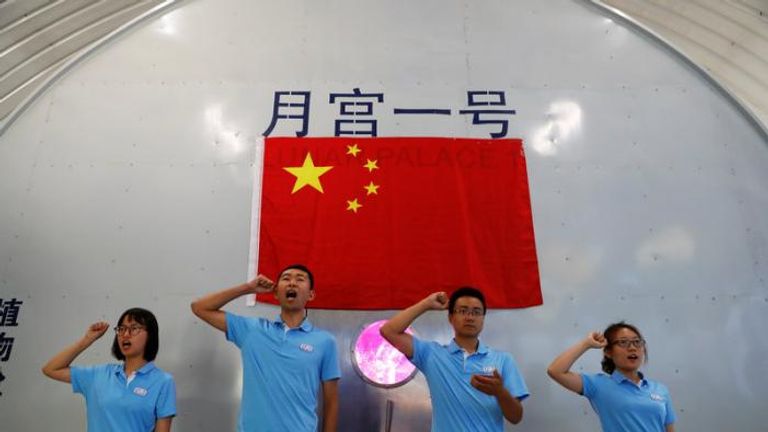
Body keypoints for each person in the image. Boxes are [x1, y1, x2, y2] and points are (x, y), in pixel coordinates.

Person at [191, 264, 340, 432]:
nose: (292, 283)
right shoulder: (252, 330)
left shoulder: (325, 341)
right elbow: (199, 307)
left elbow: (331, 401)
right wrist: (248, 288)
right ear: (276, 293)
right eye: (286, 278)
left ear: (311, 295)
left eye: (300, 279)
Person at [380, 287, 528, 431]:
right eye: (463, 311)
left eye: (476, 312)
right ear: (451, 317)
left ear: (483, 319)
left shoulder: (503, 360)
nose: (469, 317)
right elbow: (388, 331)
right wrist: (426, 304)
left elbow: (515, 418)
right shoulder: (432, 355)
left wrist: (500, 392)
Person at [42, 307, 176, 432]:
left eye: (134, 328)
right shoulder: (98, 375)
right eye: (121, 329)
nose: (125, 334)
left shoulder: (163, 382)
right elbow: (51, 369)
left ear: (150, 335)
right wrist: (87, 340)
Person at [547, 322, 676, 432]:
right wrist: (586, 344)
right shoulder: (599, 385)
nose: (632, 348)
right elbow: (556, 371)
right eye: (623, 342)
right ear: (608, 352)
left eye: (637, 342)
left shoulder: (660, 389)